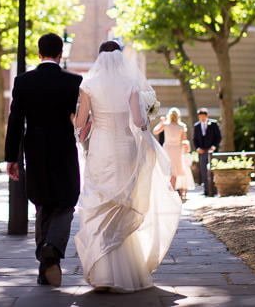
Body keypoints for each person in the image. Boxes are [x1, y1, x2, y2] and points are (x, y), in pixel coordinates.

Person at [73, 41, 182, 293]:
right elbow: (138, 121)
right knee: (123, 203)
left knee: (100, 202)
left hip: (100, 147)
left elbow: (80, 121)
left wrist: (72, 120)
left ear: (99, 58)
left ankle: (103, 273)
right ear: (120, 59)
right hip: (125, 147)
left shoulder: (88, 85)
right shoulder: (130, 84)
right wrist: (146, 112)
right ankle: (127, 272)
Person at [4, 33, 83, 287]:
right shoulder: (74, 82)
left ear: (39, 54)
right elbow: (79, 120)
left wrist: (11, 157)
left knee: (42, 204)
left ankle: (44, 266)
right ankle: (51, 249)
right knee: (66, 202)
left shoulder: (23, 81)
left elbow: (15, 120)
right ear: (61, 54)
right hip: (63, 147)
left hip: (34, 149)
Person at [153, 107, 196, 201]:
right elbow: (184, 140)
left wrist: (161, 122)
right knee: (175, 172)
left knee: (167, 170)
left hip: (167, 149)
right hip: (177, 150)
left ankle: (168, 192)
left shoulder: (166, 125)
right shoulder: (181, 126)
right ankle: (171, 191)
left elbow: (155, 131)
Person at [192, 107, 222, 196]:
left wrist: (213, 147)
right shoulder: (196, 126)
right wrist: (197, 148)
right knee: (203, 171)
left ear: (206, 116)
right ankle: (206, 190)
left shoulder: (213, 124)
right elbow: (194, 139)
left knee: (212, 169)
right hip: (202, 151)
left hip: (212, 151)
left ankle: (214, 189)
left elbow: (218, 137)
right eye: (200, 116)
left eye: (203, 116)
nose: (202, 118)